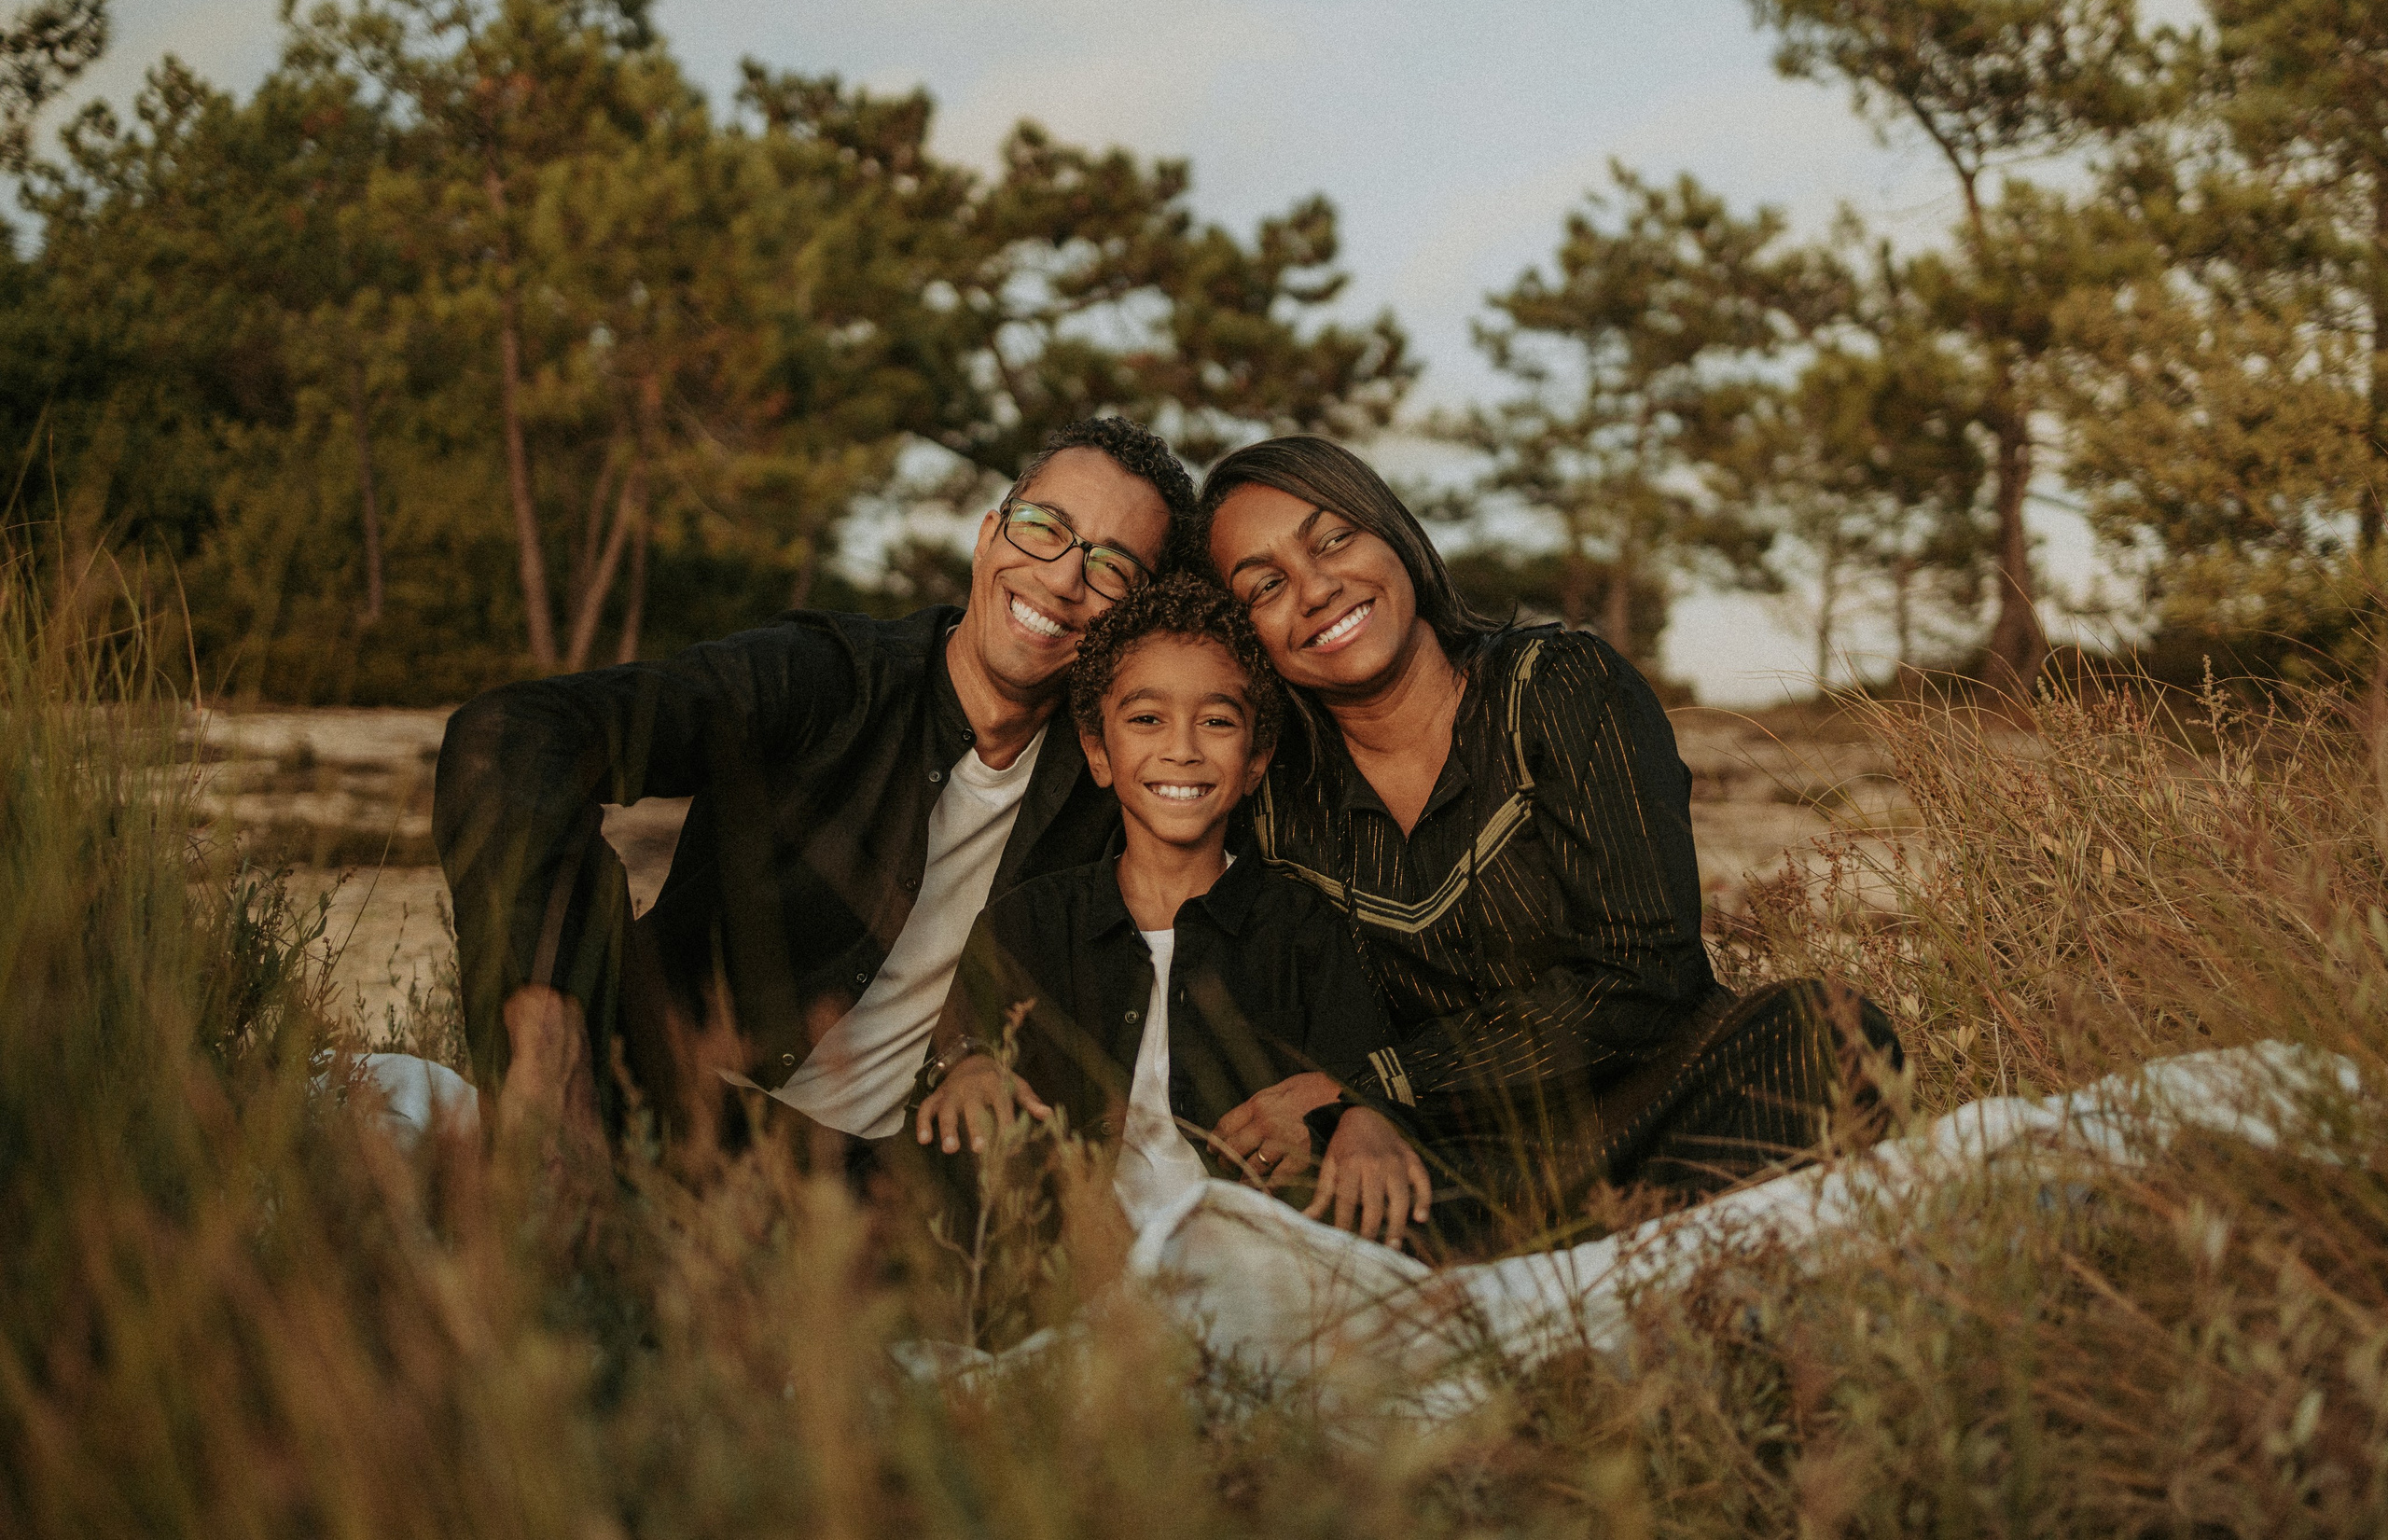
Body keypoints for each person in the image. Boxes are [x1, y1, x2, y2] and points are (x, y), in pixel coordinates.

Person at [1201, 434, 1900, 1251]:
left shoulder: (1561, 685)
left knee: (1830, 1035)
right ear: (1244, 634)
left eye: (1334, 539)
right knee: (1281, 1198)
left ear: (1394, 533)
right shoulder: (1275, 803)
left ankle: (1605, 1263)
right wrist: (1354, 1117)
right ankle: (1634, 1258)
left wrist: (1377, 1084)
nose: (1316, 588)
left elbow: (1648, 974)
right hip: (1459, 1161)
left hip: (1667, 1104)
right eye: (1266, 585)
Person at [432, 417, 1190, 1171]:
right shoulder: (828, 677)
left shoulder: (1122, 784)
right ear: (988, 534)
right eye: (1042, 527)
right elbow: (509, 736)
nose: (1062, 577)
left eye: (1113, 569)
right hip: (657, 1097)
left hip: (883, 1185)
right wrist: (546, 1045)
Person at [912, 574, 1433, 1244]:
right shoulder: (1031, 920)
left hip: (1250, 1266)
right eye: (1146, 719)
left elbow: (1364, 1081)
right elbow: (964, 1040)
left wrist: (1364, 1116)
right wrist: (970, 1068)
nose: (1183, 747)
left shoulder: (1301, 928)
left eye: (1217, 721)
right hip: (1063, 1269)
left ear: (1255, 760)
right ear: (1099, 751)